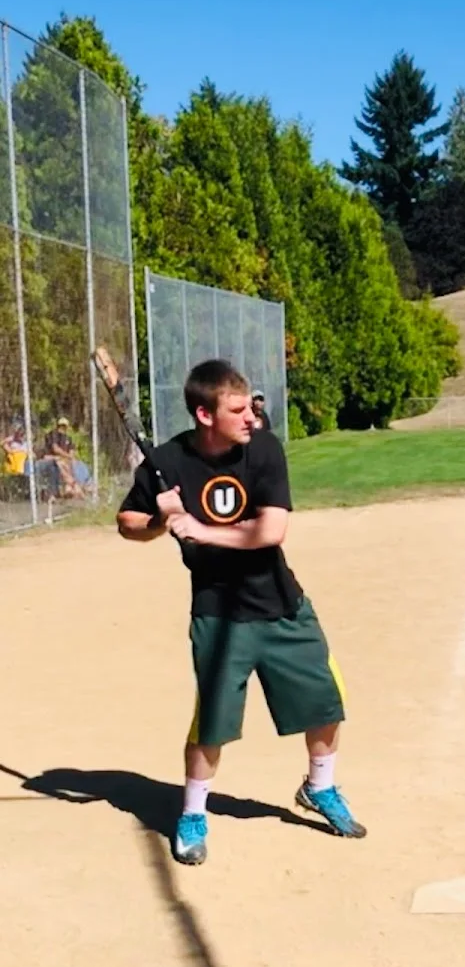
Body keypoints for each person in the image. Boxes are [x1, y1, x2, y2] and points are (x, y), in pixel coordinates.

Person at [116, 359, 365, 866]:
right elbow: (127, 521)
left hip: (282, 606)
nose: (252, 417)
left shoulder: (264, 450)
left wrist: (203, 530)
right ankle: (191, 815)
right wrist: (160, 523)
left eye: (251, 405)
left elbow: (270, 531)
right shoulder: (167, 462)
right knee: (212, 723)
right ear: (206, 416)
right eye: (237, 410)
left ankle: (320, 787)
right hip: (217, 615)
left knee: (325, 701)